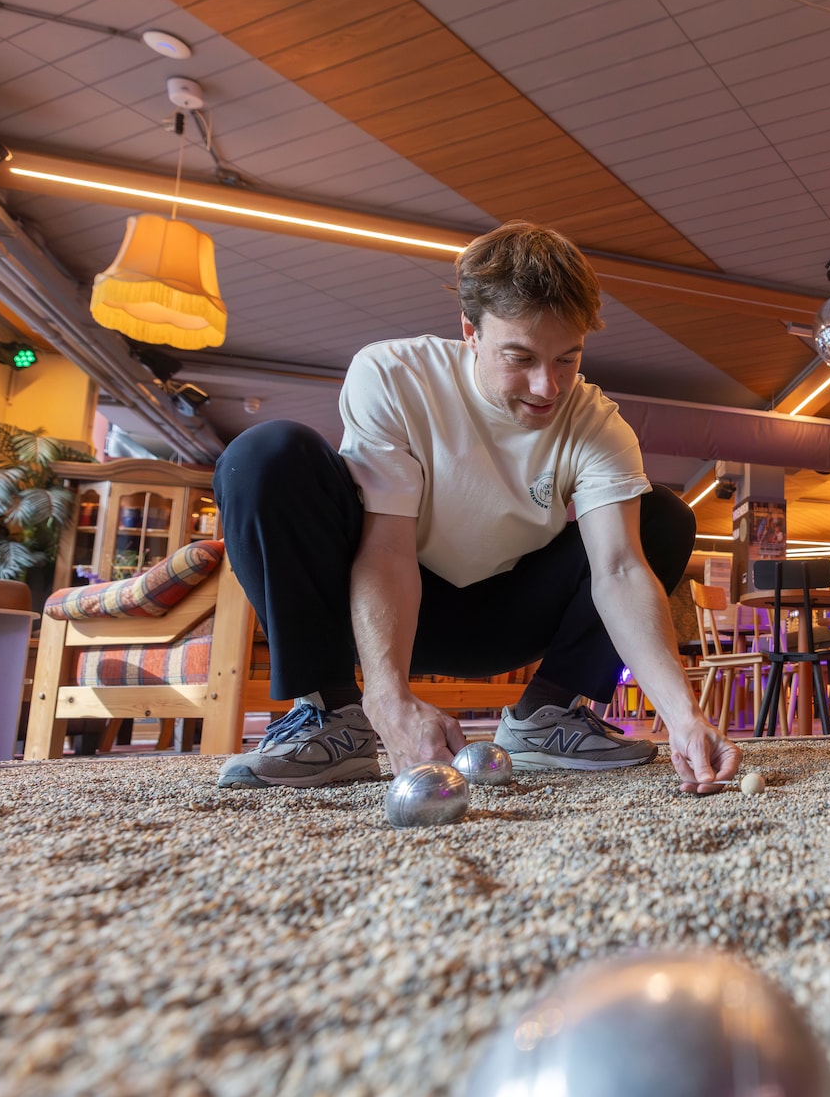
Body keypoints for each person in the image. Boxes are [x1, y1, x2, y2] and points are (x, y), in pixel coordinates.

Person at [212, 221, 740, 794]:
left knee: (663, 513)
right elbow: (386, 548)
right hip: (383, 605)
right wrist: (385, 700)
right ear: (470, 331)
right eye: (521, 357)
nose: (547, 387)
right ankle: (332, 716)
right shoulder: (392, 375)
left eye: (567, 358)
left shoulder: (596, 424)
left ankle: (547, 718)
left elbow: (619, 571)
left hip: (501, 619)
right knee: (265, 455)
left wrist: (684, 717)